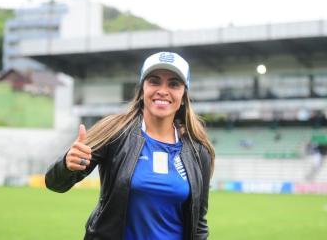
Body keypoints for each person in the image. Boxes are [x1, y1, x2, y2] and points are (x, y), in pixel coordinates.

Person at [45, 51, 215, 240]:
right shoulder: (114, 131)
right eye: (154, 81)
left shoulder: (199, 152)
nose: (163, 90)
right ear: (142, 89)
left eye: (174, 84)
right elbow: (55, 184)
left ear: (184, 95)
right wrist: (67, 166)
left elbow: (198, 223)